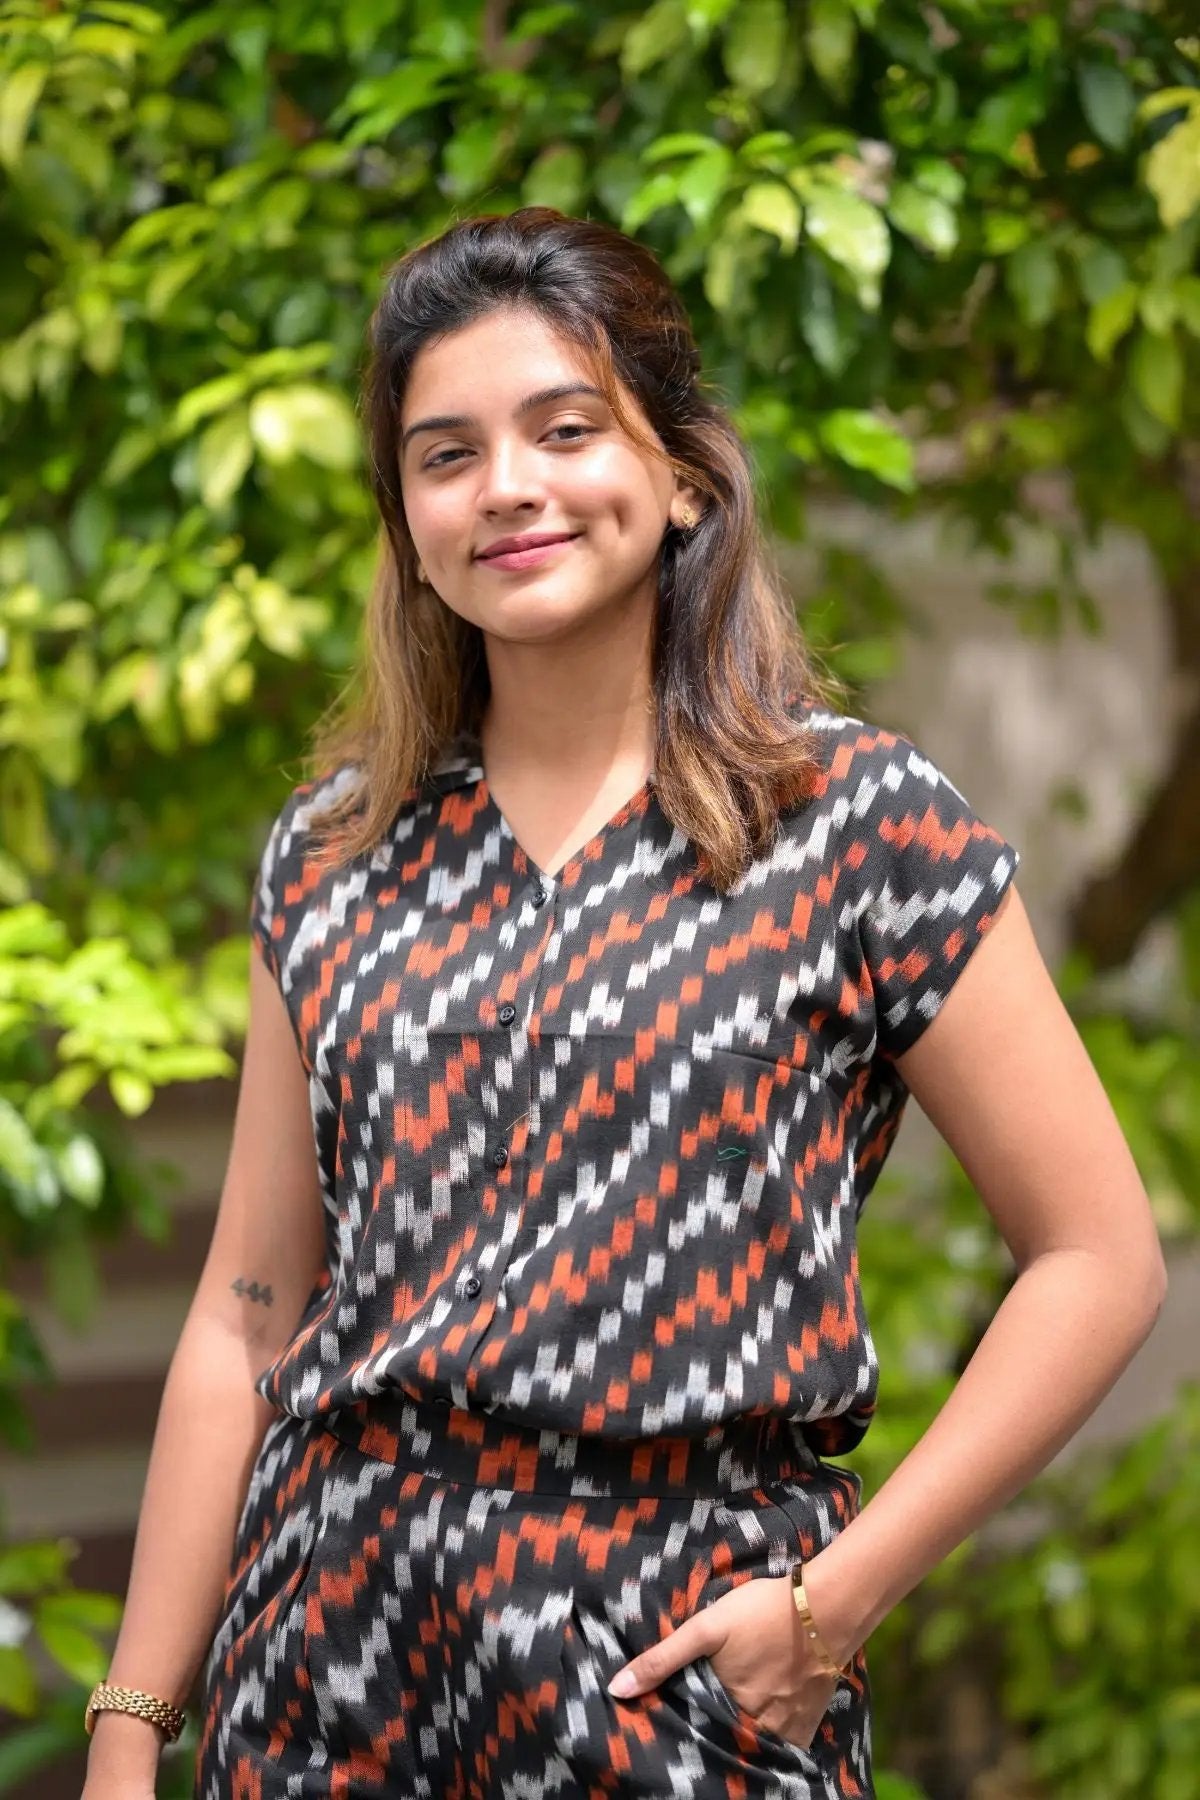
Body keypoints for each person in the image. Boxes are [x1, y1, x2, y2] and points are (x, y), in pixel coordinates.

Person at [81, 207, 1167, 1800]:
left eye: (565, 428)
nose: (506, 487)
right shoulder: (334, 855)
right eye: (444, 455)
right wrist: (129, 1732)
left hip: (670, 1674)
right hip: (328, 1665)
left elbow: (1100, 1257)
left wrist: (832, 1603)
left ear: (680, 477)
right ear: (408, 520)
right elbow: (247, 1311)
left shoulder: (853, 823)